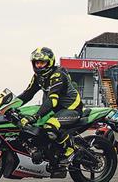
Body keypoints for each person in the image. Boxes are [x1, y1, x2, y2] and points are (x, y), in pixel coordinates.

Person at [17, 47, 84, 175]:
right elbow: (27, 94)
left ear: (50, 62)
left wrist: (35, 116)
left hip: (71, 109)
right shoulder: (38, 77)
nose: (39, 65)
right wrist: (9, 106)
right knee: (38, 127)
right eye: (36, 63)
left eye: (42, 62)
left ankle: (69, 149)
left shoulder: (57, 75)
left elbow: (52, 100)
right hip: (56, 110)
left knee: (50, 125)